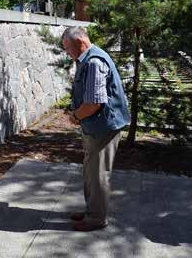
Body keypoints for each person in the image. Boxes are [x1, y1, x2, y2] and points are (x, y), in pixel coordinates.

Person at [61, 27, 130, 232]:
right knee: (91, 171)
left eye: (67, 48)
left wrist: (75, 116)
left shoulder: (93, 62)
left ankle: (96, 218)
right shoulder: (91, 57)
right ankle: (92, 210)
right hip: (97, 127)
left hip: (103, 128)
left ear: (80, 43)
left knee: (98, 173)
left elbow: (93, 103)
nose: (67, 52)